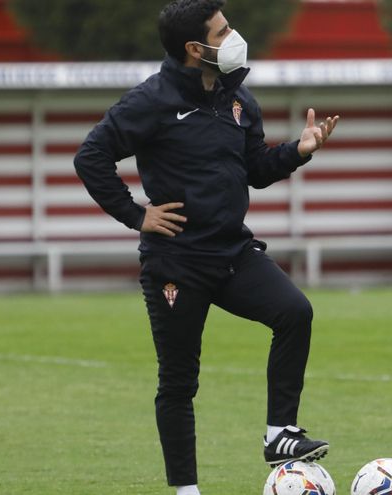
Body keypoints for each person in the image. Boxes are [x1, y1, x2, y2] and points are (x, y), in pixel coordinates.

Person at [73, 1, 339, 494]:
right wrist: (137, 215)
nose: (235, 35)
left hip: (233, 253)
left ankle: (280, 434)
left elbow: (256, 170)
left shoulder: (240, 101)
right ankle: (187, 490)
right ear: (196, 49)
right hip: (176, 262)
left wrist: (297, 153)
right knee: (179, 382)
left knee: (295, 312)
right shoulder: (151, 100)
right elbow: (91, 156)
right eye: (223, 30)